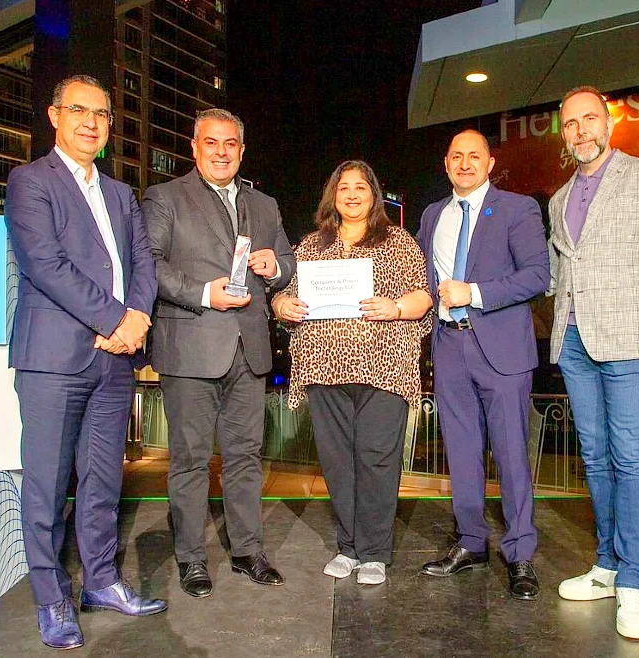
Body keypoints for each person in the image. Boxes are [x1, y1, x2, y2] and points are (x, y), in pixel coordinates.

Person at [6, 74, 165, 650]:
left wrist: (137, 319)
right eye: (78, 110)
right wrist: (114, 320)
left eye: (100, 113)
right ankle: (52, 600)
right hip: (54, 359)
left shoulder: (122, 194)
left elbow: (143, 264)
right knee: (46, 486)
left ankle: (101, 583)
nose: (90, 121)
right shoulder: (29, 182)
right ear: (54, 115)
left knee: (101, 482)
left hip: (114, 362)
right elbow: (44, 264)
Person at [547, 85, 639, 640]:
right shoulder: (559, 199)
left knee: (632, 456)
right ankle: (607, 564)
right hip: (576, 343)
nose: (580, 130)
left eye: (589, 120)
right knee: (596, 455)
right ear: (564, 134)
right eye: (570, 124)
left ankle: (634, 582)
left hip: (633, 339)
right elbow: (564, 274)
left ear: (607, 123)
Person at [142, 108, 296, 598]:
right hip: (190, 347)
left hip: (248, 350)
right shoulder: (164, 198)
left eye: (231, 143)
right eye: (212, 143)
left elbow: (287, 264)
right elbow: (148, 265)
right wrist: (205, 294)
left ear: (242, 150)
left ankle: (248, 551)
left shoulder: (266, 205)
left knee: (246, 458)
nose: (222, 151)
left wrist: (276, 268)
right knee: (189, 459)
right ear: (195, 147)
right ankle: (190, 558)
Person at [271, 161, 432, 586]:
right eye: (345, 187)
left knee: (376, 460)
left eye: (361, 187)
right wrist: (281, 306)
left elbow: (423, 297)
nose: (353, 194)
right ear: (333, 195)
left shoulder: (399, 243)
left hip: (385, 369)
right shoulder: (310, 246)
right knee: (338, 463)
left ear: (374, 195)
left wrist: (395, 307)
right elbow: (285, 297)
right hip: (324, 370)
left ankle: (375, 552)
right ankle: (349, 546)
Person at [417, 130, 551, 600]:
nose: (465, 163)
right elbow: (422, 279)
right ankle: (471, 542)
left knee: (511, 454)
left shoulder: (518, 209)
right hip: (449, 348)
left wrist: (472, 293)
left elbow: (538, 276)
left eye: (475, 155)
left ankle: (519, 554)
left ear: (490, 163)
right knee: (461, 453)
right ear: (446, 163)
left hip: (503, 351)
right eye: (457, 156)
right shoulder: (433, 215)